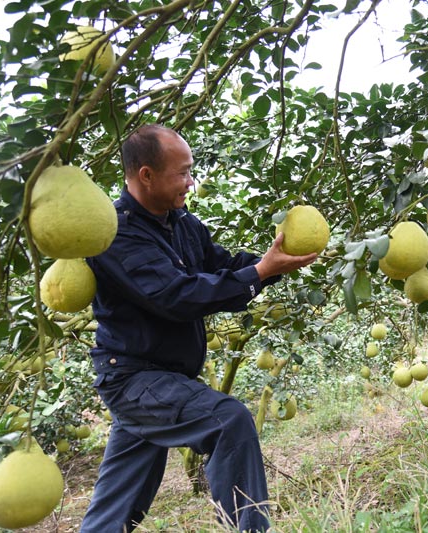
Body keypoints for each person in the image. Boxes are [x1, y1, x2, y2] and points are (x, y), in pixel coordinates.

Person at [80, 124, 317, 532]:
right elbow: (176, 296)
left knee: (115, 512)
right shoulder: (115, 234)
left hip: (162, 381)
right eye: (183, 173)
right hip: (135, 380)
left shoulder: (181, 222)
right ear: (146, 175)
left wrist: (274, 263)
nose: (191, 182)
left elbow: (221, 267)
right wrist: (260, 272)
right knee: (229, 420)